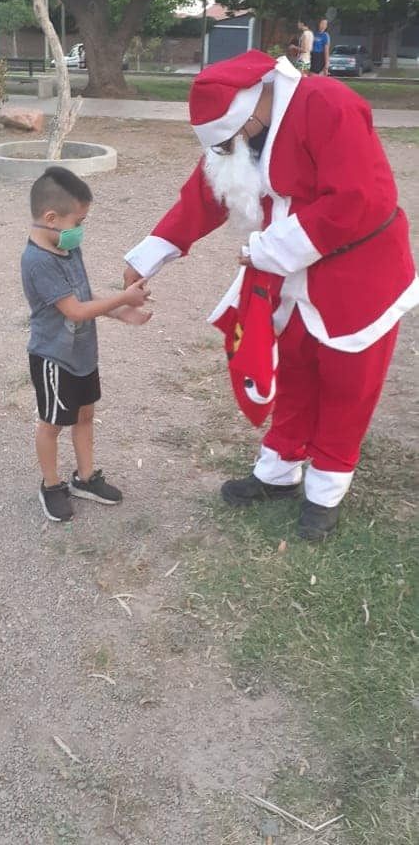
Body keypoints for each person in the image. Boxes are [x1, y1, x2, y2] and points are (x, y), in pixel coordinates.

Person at [123, 51, 418, 540]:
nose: (230, 148)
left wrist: (268, 248)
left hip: (359, 276)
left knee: (348, 384)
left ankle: (326, 490)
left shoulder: (329, 104)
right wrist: (149, 254)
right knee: (296, 368)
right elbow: (207, 192)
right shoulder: (242, 132)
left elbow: (361, 199)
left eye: (234, 137)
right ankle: (280, 469)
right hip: (289, 274)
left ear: (254, 111)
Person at [21, 167, 151, 522]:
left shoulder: (68, 246)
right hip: (54, 357)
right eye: (78, 220)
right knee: (52, 423)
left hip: (82, 355)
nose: (81, 228)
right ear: (51, 218)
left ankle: (86, 477)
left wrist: (122, 312)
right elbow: (75, 311)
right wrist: (123, 297)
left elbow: (82, 296)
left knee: (85, 415)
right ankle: (51, 484)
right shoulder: (38, 262)